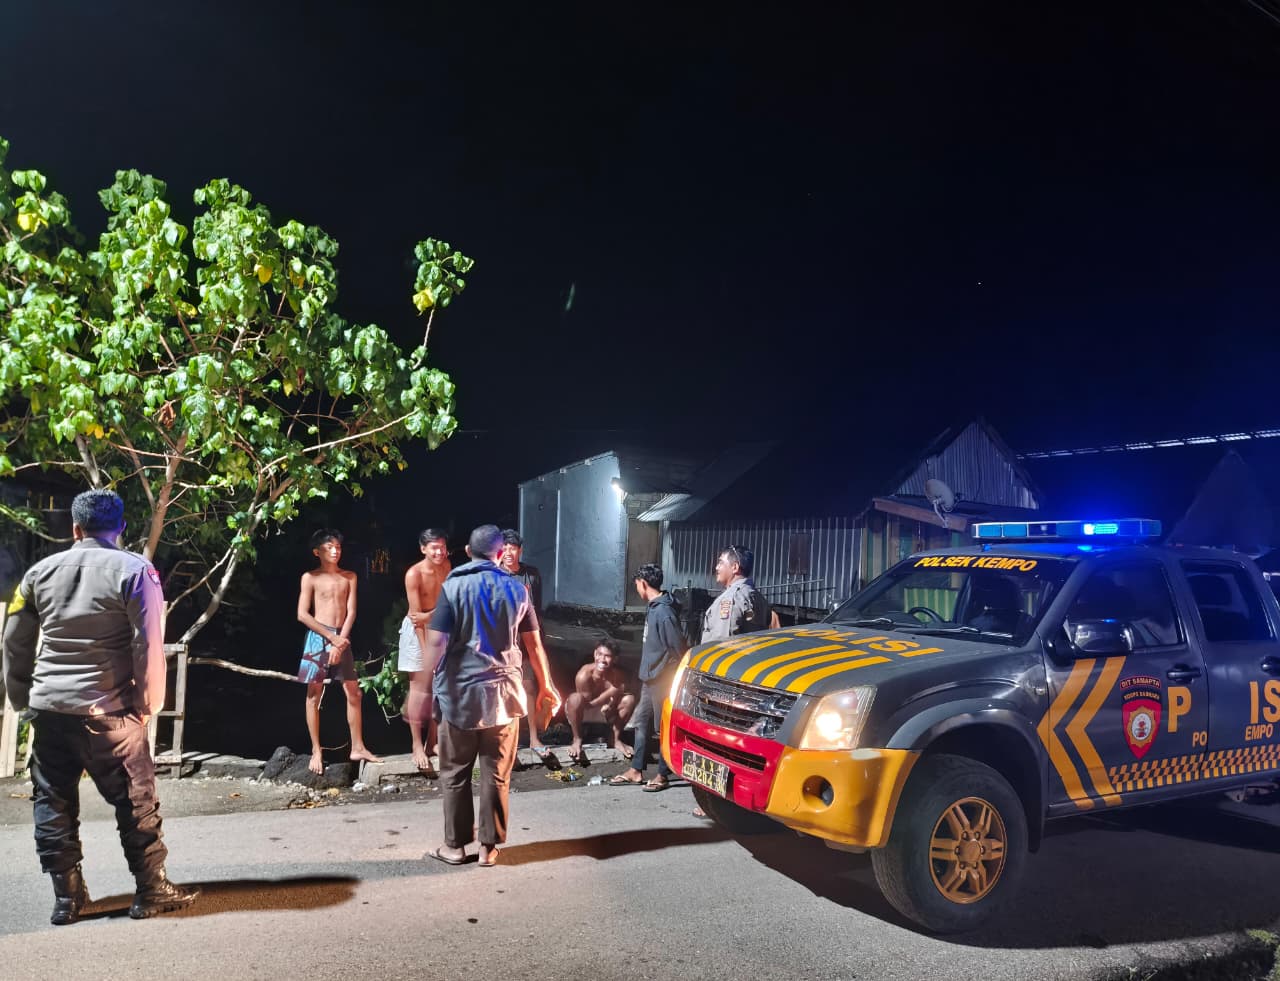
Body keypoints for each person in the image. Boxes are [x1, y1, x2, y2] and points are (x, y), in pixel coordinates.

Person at [1, 488, 200, 924]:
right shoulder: (137, 571)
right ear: (122, 527)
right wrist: (149, 704)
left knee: (52, 802)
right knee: (136, 801)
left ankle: (67, 900)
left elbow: (14, 642)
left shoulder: (38, 573)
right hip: (111, 712)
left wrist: (21, 700)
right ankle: (151, 889)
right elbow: (148, 643)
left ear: (75, 528)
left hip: (51, 711)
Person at [416, 524, 561, 868]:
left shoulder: (453, 587)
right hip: (504, 698)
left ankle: (455, 847)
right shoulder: (517, 590)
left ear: (468, 551)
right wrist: (546, 686)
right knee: (496, 773)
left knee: (455, 774)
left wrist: (419, 691)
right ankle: (488, 848)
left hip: (459, 697)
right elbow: (534, 646)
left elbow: (436, 644)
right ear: (500, 554)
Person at [296, 529, 382, 775]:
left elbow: (351, 611)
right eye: (329, 547)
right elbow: (302, 614)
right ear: (317, 552)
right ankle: (316, 750)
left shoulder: (349, 577)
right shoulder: (310, 577)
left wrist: (340, 641)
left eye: (338, 547)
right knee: (313, 694)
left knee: (354, 693)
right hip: (318, 638)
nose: (335, 551)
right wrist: (331, 638)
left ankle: (358, 746)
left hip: (342, 638)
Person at [611, 564, 688, 791]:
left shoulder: (664, 613)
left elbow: (678, 648)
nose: (636, 588)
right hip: (649, 678)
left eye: (637, 584)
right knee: (641, 723)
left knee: (662, 728)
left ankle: (663, 774)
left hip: (662, 680)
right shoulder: (654, 607)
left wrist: (669, 675)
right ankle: (636, 770)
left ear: (643, 583)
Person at [499, 529, 556, 765]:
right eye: (504, 548)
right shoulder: (494, 575)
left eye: (512, 548)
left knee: (530, 686)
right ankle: (506, 742)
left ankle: (533, 738)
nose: (508, 552)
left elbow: (536, 610)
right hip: (503, 644)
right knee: (504, 691)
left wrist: (539, 641)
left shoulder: (531, 575)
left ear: (520, 551)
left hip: (529, 641)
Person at [400, 528, 451, 775]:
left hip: (439, 627)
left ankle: (433, 742)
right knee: (419, 689)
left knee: (439, 688)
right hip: (417, 632)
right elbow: (416, 618)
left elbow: (448, 603)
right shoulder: (414, 574)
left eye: (442, 546)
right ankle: (416, 745)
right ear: (423, 549)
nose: (440, 552)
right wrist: (425, 651)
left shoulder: (447, 566)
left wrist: (431, 616)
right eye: (434, 547)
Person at [565, 640, 637, 764]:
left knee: (629, 699)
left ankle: (614, 739)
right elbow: (587, 705)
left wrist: (610, 704)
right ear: (595, 654)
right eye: (599, 654)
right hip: (584, 711)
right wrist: (611, 693)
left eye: (607, 656)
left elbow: (618, 694)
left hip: (605, 711)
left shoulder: (618, 675)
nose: (602, 660)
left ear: (615, 659)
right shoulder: (584, 675)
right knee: (575, 698)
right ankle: (577, 739)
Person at [701, 544, 773, 643]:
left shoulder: (731, 598)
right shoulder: (759, 598)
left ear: (735, 567)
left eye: (721, 563)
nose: (717, 567)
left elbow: (722, 642)